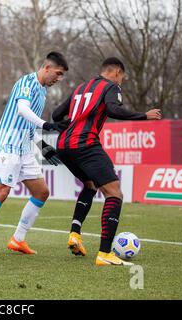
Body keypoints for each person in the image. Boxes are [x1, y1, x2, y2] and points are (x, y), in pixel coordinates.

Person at [52, 57, 162, 266]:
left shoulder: (81, 88)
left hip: (64, 146)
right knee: (114, 192)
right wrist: (143, 116)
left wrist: (71, 123)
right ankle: (104, 253)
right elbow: (113, 109)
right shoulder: (111, 86)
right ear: (117, 72)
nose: (122, 81)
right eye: (123, 77)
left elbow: (56, 114)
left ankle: (75, 233)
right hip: (85, 144)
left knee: (90, 185)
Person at [0, 52, 69, 260]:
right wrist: (46, 125)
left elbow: (29, 124)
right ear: (46, 67)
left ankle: (18, 239)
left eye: (61, 76)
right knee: (2, 192)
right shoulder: (27, 83)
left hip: (24, 149)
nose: (58, 79)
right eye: (57, 74)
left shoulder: (42, 92)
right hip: (8, 145)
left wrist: (42, 145)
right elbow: (22, 110)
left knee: (41, 192)